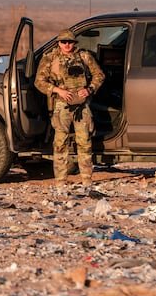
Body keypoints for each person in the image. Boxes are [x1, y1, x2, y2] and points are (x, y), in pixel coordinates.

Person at [35, 29, 105, 187]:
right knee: (60, 143)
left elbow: (99, 75)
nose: (67, 45)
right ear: (58, 43)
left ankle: (86, 180)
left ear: (74, 43)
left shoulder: (84, 56)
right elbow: (39, 82)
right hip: (61, 105)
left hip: (82, 105)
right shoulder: (50, 58)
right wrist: (57, 90)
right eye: (63, 42)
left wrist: (89, 89)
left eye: (70, 42)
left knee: (84, 142)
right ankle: (60, 181)